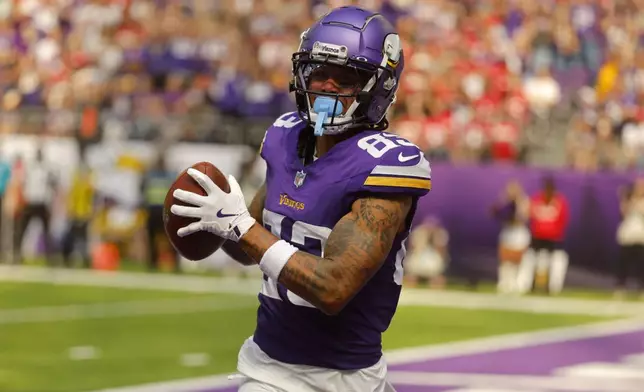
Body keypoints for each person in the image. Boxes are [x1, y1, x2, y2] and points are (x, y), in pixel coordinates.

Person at [170, 6, 431, 392]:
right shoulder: (285, 137)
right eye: (317, 72)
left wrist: (238, 226)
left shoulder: (385, 164)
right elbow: (246, 247)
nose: (325, 86)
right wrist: (213, 217)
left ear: (379, 86)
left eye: (344, 78)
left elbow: (333, 289)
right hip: (274, 374)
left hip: (357, 377)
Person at [517, 176, 570, 295]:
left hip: (554, 238)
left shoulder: (560, 201)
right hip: (538, 237)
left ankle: (553, 287)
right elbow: (529, 214)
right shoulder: (536, 199)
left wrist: (555, 233)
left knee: (557, 261)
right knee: (530, 259)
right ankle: (527, 285)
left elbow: (563, 220)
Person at [491, 180, 530, 294]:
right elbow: (495, 213)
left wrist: (514, 215)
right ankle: (504, 283)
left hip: (519, 233)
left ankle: (517, 283)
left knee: (517, 260)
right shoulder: (503, 202)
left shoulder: (524, 202)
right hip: (507, 232)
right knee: (505, 259)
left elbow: (523, 219)